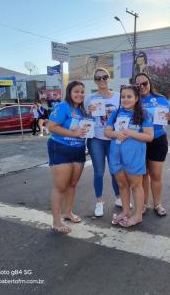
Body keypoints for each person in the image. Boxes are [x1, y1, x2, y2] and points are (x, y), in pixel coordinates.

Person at [105, 85, 154, 227]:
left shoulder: (143, 114)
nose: (125, 99)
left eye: (129, 96)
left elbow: (149, 136)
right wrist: (115, 133)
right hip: (116, 155)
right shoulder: (115, 113)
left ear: (136, 98)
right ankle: (126, 211)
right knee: (122, 185)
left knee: (136, 186)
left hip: (134, 156)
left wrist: (130, 133)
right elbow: (107, 132)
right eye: (123, 97)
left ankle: (138, 215)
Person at [47, 81, 87, 234]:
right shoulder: (63, 106)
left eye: (82, 92)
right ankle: (57, 222)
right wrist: (73, 133)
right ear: (69, 92)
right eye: (76, 91)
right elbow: (51, 127)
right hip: (60, 148)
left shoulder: (82, 110)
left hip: (78, 150)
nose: (80, 94)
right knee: (60, 187)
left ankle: (68, 213)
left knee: (72, 184)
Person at [134, 73, 170, 217]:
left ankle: (157, 204)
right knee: (143, 174)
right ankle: (145, 204)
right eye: (138, 85)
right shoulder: (134, 100)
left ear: (150, 83)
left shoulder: (161, 99)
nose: (142, 87)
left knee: (156, 175)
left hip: (158, 139)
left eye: (145, 83)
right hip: (140, 140)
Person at [84, 68, 121, 217]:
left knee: (115, 171)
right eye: (98, 78)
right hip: (96, 140)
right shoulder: (90, 99)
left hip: (113, 138)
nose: (101, 80)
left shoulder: (118, 97)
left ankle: (119, 198)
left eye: (104, 77)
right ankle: (99, 202)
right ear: (95, 81)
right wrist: (88, 112)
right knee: (99, 172)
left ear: (109, 78)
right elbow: (82, 119)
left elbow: (126, 112)